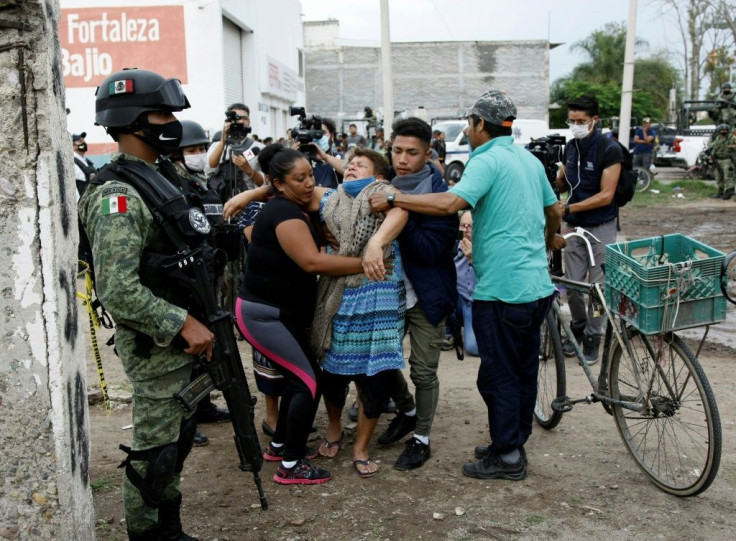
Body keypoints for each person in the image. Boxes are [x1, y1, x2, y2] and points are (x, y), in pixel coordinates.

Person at [370, 89, 564, 482]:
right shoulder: (527, 159)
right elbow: (554, 210)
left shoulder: (486, 159)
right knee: (522, 371)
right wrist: (546, 241)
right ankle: (509, 442)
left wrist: (394, 196)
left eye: (469, 124)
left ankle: (508, 455)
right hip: (536, 287)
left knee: (497, 376)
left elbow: (448, 205)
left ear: (478, 125)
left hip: (503, 291)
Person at [78, 68, 213, 541]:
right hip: (158, 348)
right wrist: (184, 324)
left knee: (175, 444)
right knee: (155, 453)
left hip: (184, 340)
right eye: (163, 112)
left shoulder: (159, 177)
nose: (172, 122)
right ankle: (149, 534)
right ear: (133, 119)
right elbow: (118, 289)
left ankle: (169, 529)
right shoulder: (118, 195)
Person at [222, 146, 388, 485]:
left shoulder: (294, 206)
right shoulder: (284, 214)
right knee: (307, 382)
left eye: (310, 175)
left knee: (302, 378)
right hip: (264, 315)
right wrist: (366, 263)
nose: (309, 183)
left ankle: (280, 445)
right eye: (300, 179)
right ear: (279, 185)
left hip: (278, 313)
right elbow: (313, 262)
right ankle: (292, 464)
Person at [370, 117, 458, 472]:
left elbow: (430, 252)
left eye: (412, 153)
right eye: (396, 151)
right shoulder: (381, 186)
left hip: (426, 295)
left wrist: (397, 211)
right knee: (381, 362)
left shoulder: (442, 197)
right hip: (387, 293)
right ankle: (406, 410)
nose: (402, 159)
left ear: (427, 154)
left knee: (423, 371)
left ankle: (421, 437)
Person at [172, 120, 232, 447]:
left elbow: (213, 227)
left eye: (200, 149)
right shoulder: (175, 186)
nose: (197, 155)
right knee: (190, 352)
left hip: (210, 274)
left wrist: (219, 270)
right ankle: (187, 415)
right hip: (189, 280)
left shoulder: (202, 182)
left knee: (210, 348)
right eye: (191, 150)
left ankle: (204, 405)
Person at [554, 95, 623, 364]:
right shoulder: (571, 148)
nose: (576, 125)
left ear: (595, 120)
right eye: (572, 121)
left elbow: (606, 195)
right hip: (574, 227)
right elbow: (564, 184)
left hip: (601, 227)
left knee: (597, 289)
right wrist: (558, 178)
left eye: (581, 121)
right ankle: (579, 326)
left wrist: (569, 209)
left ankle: (594, 336)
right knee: (571, 286)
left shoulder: (609, 149)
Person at [205, 103, 265, 199]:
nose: (240, 121)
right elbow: (210, 170)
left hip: (249, 201)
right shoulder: (218, 146)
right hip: (223, 201)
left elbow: (263, 182)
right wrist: (222, 142)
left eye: (244, 118)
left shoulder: (259, 148)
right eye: (237, 118)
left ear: (249, 121)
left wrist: (248, 169)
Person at [708, 124, 736, 199]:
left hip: (727, 159)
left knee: (728, 176)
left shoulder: (732, 138)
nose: (723, 131)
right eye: (722, 130)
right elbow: (712, 146)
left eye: (725, 130)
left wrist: (732, 146)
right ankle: (720, 192)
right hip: (718, 160)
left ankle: (729, 192)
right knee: (718, 177)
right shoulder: (718, 138)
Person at [72, 131, 96, 200]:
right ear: (74, 146)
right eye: (80, 141)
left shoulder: (87, 162)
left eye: (83, 140)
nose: (83, 143)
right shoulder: (72, 163)